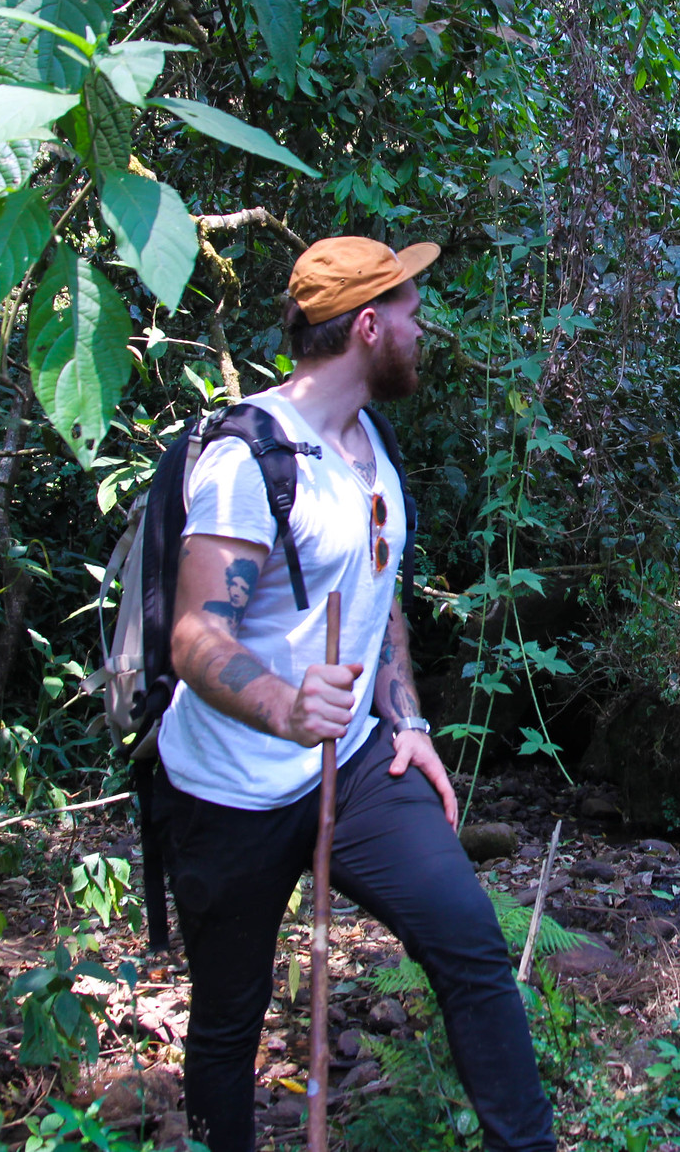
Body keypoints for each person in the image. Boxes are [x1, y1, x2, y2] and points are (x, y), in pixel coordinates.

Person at [153, 235, 555, 1152]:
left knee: (467, 940)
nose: (424, 329)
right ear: (368, 326)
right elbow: (194, 635)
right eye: (412, 312)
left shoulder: (369, 440)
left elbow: (376, 594)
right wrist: (286, 707)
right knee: (228, 1021)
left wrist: (405, 717)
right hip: (232, 787)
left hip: (355, 760)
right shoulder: (249, 457)